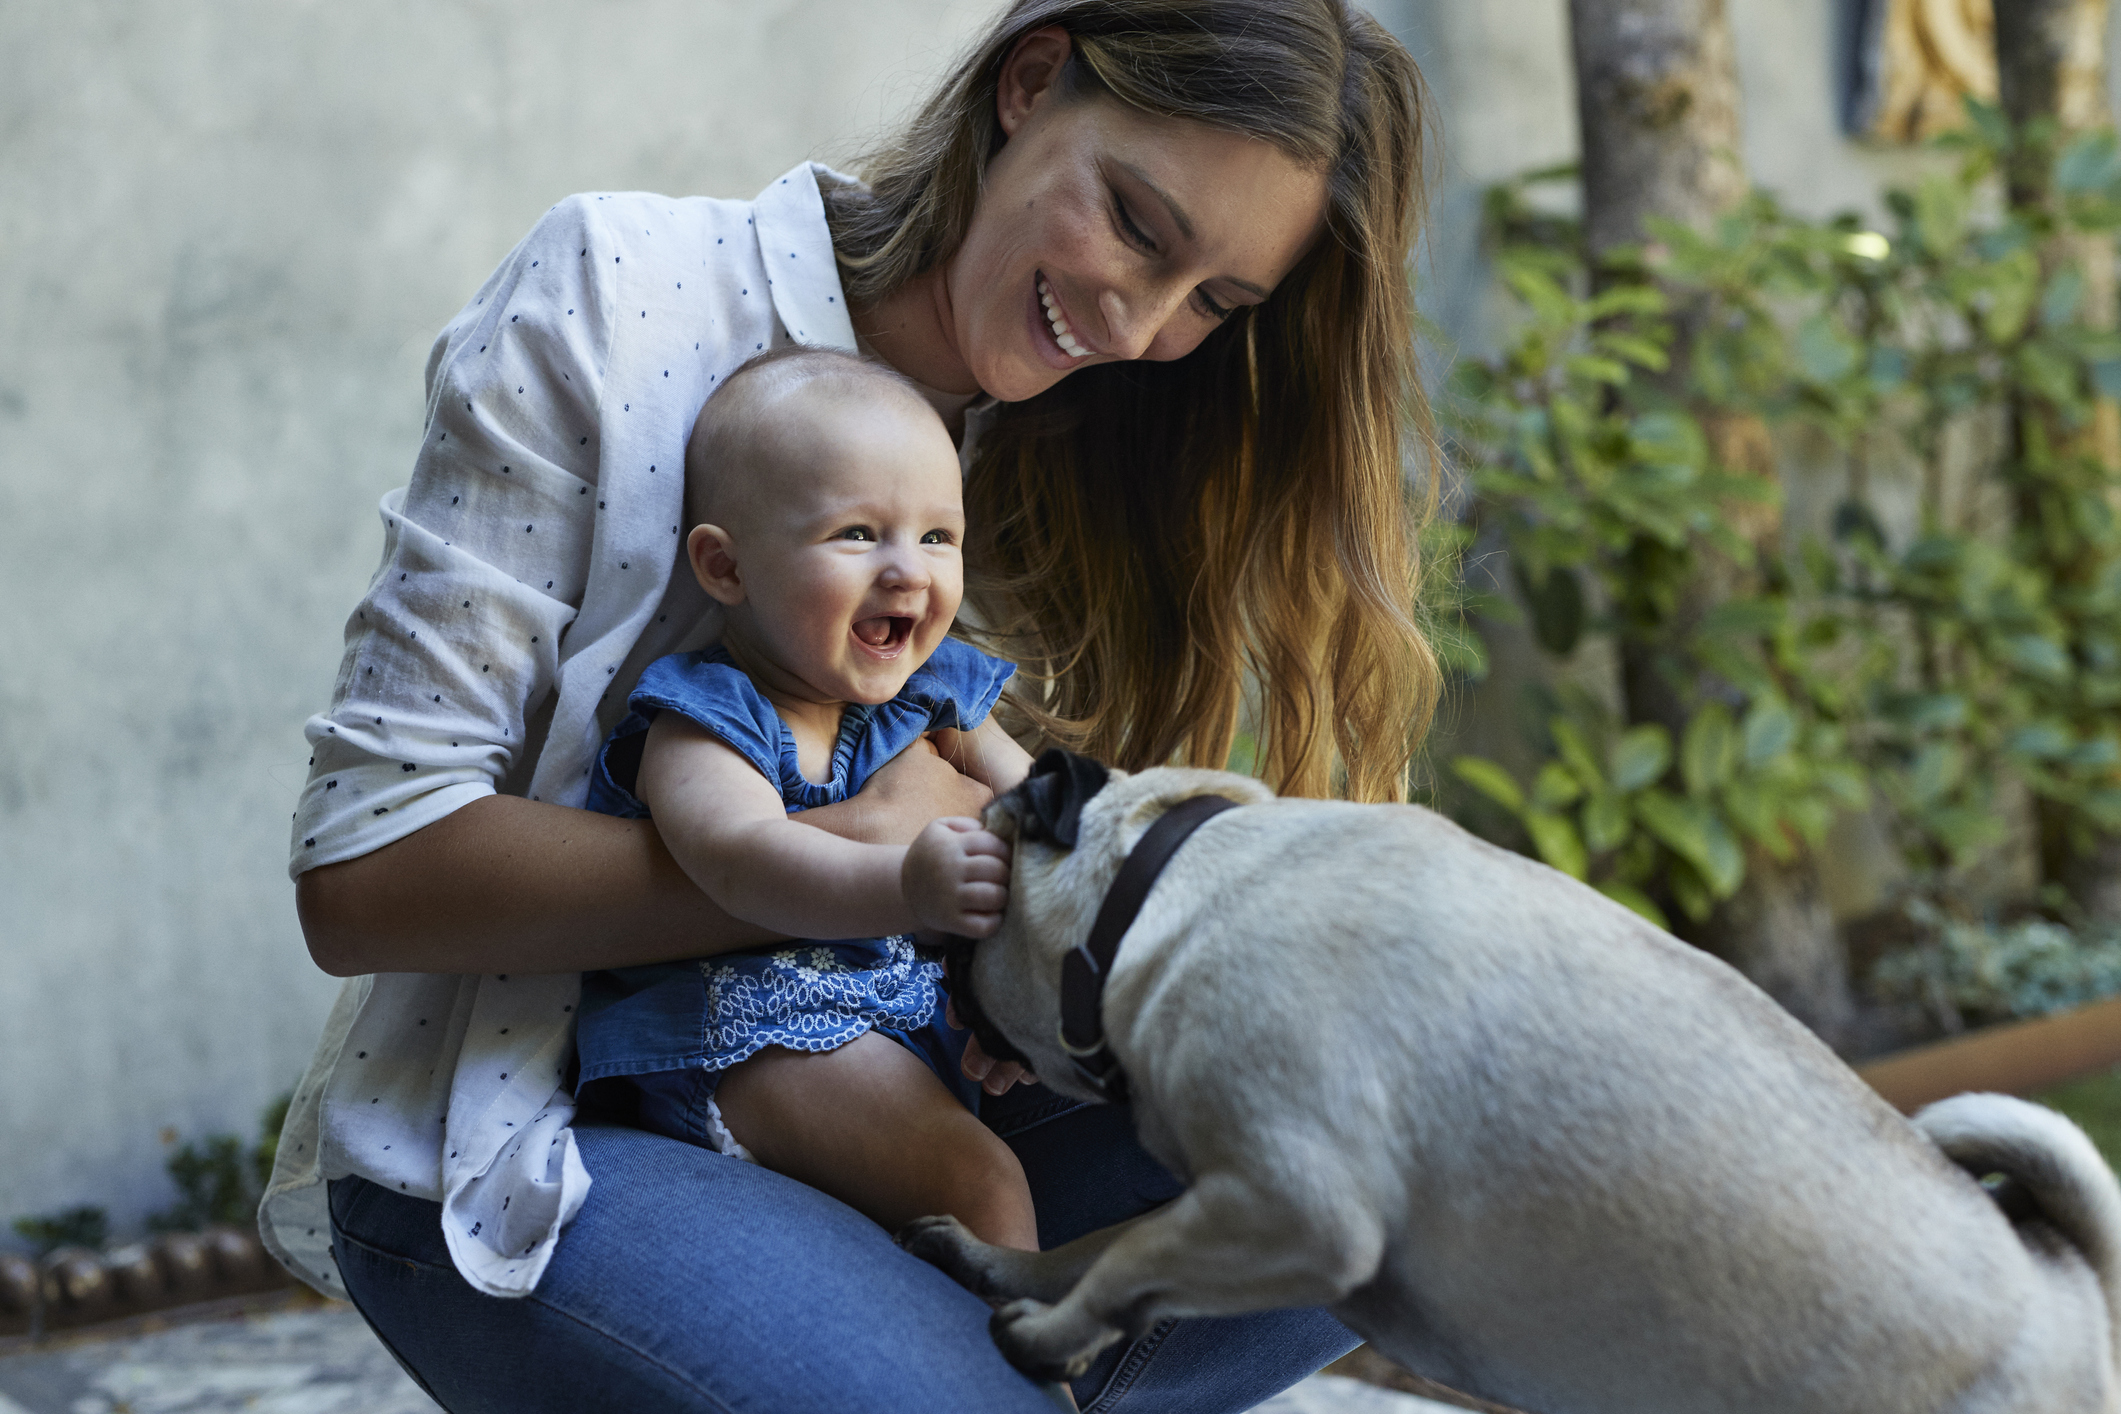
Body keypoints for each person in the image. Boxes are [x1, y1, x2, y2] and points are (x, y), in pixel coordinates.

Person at [265, 2, 1442, 1410]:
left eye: (1216, 302)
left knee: (1430, 1122)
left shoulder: (1092, 439)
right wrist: (873, 858)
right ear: (1029, 82)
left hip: (925, 1074)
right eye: (1134, 219)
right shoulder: (622, 288)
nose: (1137, 323)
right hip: (538, 1126)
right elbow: (366, 873)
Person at [574, 345, 1042, 1253]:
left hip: (908, 1010)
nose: (909, 571)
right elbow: (740, 863)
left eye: (937, 536)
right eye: (858, 534)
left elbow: (1047, 813)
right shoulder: (704, 718)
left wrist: (1025, 977)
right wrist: (909, 886)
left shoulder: (935, 687)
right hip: (755, 1031)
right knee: (980, 1185)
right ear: (725, 568)